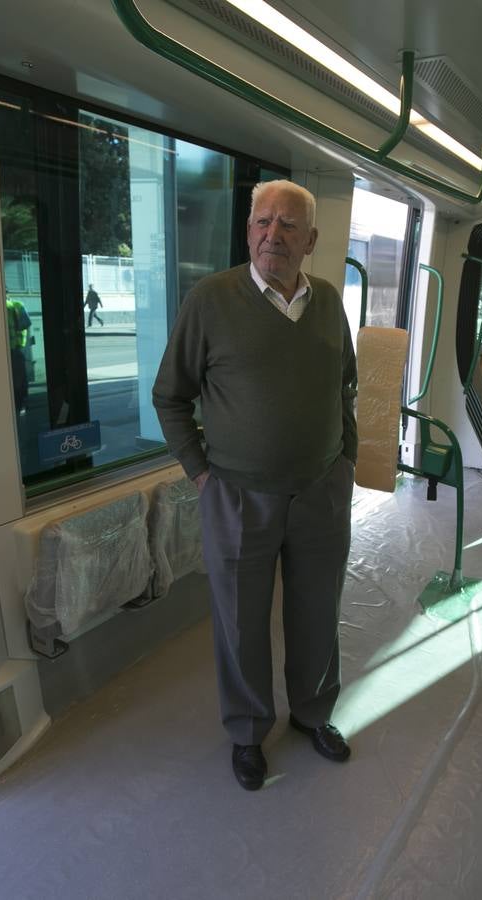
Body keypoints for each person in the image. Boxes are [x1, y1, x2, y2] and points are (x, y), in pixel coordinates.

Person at [153, 179, 357, 791]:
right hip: (237, 495)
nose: (274, 234)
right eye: (263, 221)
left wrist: (345, 460)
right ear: (248, 232)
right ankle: (247, 731)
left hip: (320, 491)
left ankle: (314, 714)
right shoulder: (211, 300)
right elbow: (169, 396)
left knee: (318, 612)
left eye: (289, 224)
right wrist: (203, 474)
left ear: (311, 239)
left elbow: (343, 385)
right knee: (240, 622)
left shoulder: (326, 301)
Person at [6, 296, 30, 414]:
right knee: (20, 379)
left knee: (15, 380)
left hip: (13, 349)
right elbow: (26, 323)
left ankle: (18, 405)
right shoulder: (18, 305)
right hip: (17, 349)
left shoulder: (15, 306)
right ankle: (21, 405)